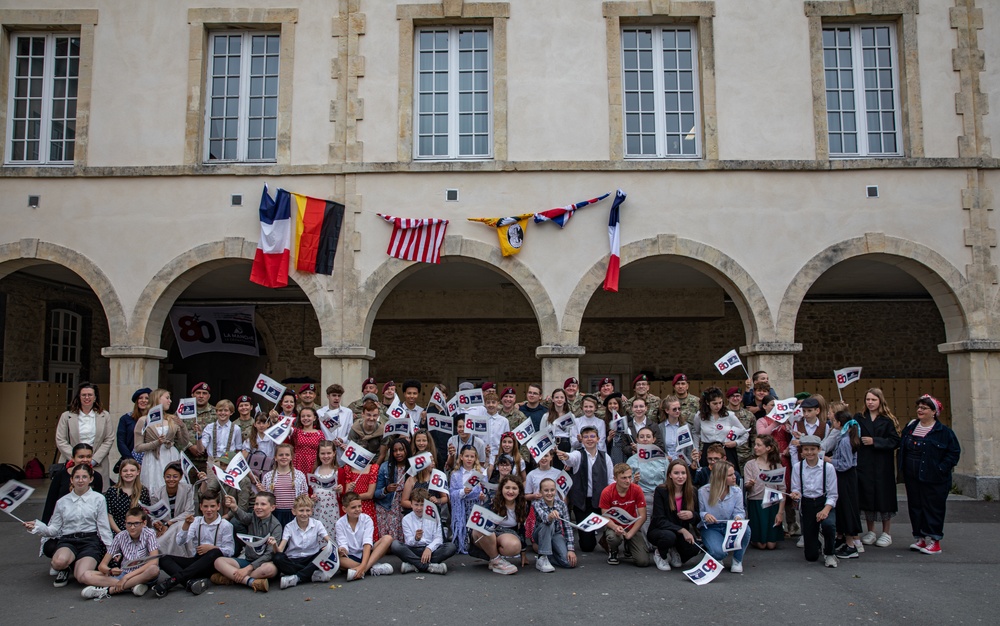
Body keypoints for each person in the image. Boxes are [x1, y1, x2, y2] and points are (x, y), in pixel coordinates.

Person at [25, 463, 114, 588]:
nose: (81, 480)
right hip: (68, 541)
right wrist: (37, 527)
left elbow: (104, 528)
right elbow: (54, 529)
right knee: (58, 562)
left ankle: (124, 583)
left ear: (91, 479)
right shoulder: (62, 502)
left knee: (82, 576)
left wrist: (112, 550)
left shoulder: (99, 499)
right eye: (77, 477)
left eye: (84, 477)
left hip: (89, 541)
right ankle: (65, 567)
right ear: (71, 479)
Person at [898, 395, 961, 556]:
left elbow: (953, 453)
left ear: (934, 412)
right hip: (912, 476)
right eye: (919, 407)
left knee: (933, 508)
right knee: (915, 506)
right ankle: (920, 537)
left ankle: (934, 540)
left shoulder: (944, 432)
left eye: (924, 408)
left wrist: (941, 469)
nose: (920, 410)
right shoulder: (911, 426)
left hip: (934, 478)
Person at [153, 492, 234, 597]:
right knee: (163, 558)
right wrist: (186, 526)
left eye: (212, 506)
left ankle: (173, 581)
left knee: (214, 552)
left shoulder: (226, 525)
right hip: (197, 561)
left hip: (214, 564)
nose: (209, 510)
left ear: (218, 506)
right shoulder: (196, 521)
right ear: (200, 507)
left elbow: (230, 551)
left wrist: (211, 548)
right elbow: (180, 542)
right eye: (205, 506)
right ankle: (190, 583)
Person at [79, 507, 161, 599]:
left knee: (154, 569)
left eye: (136, 523)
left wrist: (126, 578)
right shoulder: (120, 537)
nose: (132, 527)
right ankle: (132, 586)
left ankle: (108, 590)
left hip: (142, 573)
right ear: (125, 523)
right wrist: (110, 570)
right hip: (124, 573)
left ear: (144, 523)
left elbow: (154, 561)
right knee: (86, 576)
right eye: (129, 523)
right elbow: (102, 566)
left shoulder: (149, 533)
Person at [856, 388, 900, 548]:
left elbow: (895, 441)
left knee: (884, 497)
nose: (870, 402)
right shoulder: (860, 418)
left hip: (882, 464)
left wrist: (876, 441)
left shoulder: (888, 420)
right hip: (865, 463)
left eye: (873, 400)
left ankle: (886, 532)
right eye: (868, 399)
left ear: (880, 401)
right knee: (867, 495)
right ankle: (871, 530)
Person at [558, 425, 613, 553]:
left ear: (598, 439)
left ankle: (606, 537)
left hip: (601, 503)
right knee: (587, 546)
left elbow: (611, 480)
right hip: (582, 503)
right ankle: (589, 536)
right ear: (581, 439)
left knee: (612, 533)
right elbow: (571, 459)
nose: (589, 439)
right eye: (586, 437)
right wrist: (566, 456)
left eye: (592, 436)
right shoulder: (578, 454)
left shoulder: (606, 457)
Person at [212, 491, 281, 592]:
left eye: (263, 504)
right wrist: (234, 507)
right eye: (256, 504)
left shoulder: (276, 526)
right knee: (218, 561)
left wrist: (247, 569)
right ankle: (250, 581)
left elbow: (269, 554)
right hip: (248, 559)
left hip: (263, 564)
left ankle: (232, 577)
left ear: (272, 507)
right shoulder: (253, 516)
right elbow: (243, 517)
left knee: (269, 570)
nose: (258, 507)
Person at [789, 434, 839, 568]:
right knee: (811, 556)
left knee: (829, 525)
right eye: (806, 449)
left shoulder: (827, 468)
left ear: (819, 450)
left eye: (812, 449)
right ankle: (816, 540)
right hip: (807, 503)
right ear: (802, 451)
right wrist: (795, 495)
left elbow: (833, 494)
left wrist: (825, 510)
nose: (809, 452)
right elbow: (796, 489)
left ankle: (830, 553)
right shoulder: (797, 467)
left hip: (824, 502)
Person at [55, 382, 115, 484]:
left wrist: (93, 460)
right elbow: (61, 440)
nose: (87, 397)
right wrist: (77, 458)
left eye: (90, 395)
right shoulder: (67, 416)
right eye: (83, 395)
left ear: (95, 397)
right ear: (79, 397)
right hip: (72, 464)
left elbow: (109, 439)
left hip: (97, 464)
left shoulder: (105, 416)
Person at [468, 475, 529, 575]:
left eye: (514, 488)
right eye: (507, 488)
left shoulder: (523, 504)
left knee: (514, 546)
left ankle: (494, 558)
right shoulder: (493, 499)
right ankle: (496, 560)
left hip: (507, 532)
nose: (510, 491)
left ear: (519, 491)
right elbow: (480, 519)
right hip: (487, 532)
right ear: (501, 489)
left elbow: (522, 528)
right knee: (484, 528)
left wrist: (523, 552)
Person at [647, 459, 700, 571]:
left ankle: (674, 550)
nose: (680, 476)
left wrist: (692, 515)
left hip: (679, 533)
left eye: (683, 473)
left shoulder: (693, 491)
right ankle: (660, 554)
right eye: (676, 473)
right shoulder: (661, 491)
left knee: (694, 548)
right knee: (669, 537)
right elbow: (659, 519)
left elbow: (697, 518)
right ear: (670, 475)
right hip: (660, 530)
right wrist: (683, 530)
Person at [272, 494, 335, 589]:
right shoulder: (289, 526)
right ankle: (312, 575)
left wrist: (329, 547)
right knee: (277, 558)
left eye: (308, 510)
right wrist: (274, 545)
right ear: (294, 511)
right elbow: (280, 550)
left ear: (312, 511)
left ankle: (297, 577)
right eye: (301, 510)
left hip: (311, 558)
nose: (305, 514)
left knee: (325, 551)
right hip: (294, 560)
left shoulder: (317, 524)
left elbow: (328, 540)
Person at [698, 460, 749, 573]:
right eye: (730, 475)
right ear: (720, 477)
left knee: (746, 529)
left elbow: (740, 511)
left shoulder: (737, 491)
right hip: (711, 528)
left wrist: (739, 517)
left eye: (733, 473)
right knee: (718, 553)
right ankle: (717, 555)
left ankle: (737, 560)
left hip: (730, 526)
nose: (734, 477)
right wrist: (706, 515)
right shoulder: (703, 491)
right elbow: (700, 512)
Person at [391, 487, 456, 574]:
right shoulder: (406, 519)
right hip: (413, 550)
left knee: (451, 547)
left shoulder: (434, 516)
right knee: (395, 545)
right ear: (411, 505)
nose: (419, 508)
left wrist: (429, 548)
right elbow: (408, 541)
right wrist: (416, 539)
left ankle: (414, 565)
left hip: (431, 550)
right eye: (416, 504)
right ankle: (428, 566)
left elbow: (439, 538)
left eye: (422, 505)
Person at [134, 389, 188, 494]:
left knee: (175, 487)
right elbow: (138, 447)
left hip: (170, 456)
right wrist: (156, 443)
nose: (170, 401)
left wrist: (183, 427)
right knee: (154, 488)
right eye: (167, 398)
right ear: (157, 399)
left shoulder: (172, 419)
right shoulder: (144, 420)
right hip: (153, 458)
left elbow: (183, 442)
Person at [335, 492, 394, 581]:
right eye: (353, 507)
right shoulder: (339, 523)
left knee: (388, 538)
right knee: (337, 560)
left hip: (367, 552)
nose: (358, 509)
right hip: (351, 556)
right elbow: (343, 543)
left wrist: (363, 565)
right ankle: (372, 568)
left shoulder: (366, 519)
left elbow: (367, 543)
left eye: (359, 506)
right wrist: (342, 550)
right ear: (344, 509)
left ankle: (362, 570)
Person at [42, 443, 105, 526]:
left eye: (88, 456)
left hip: (87, 523)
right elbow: (51, 501)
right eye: (81, 457)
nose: (85, 460)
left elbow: (98, 504)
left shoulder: (96, 477)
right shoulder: (60, 475)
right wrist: (44, 526)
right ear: (73, 458)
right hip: (62, 521)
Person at [600, 463, 649, 567]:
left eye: (629, 477)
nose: (628, 481)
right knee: (613, 538)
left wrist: (630, 533)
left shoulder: (636, 489)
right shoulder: (607, 492)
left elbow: (643, 516)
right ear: (615, 478)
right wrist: (615, 527)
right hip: (614, 525)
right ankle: (613, 551)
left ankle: (628, 545)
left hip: (631, 524)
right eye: (623, 478)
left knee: (643, 562)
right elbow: (605, 516)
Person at [829, 410, 863, 559]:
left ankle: (851, 545)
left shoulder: (844, 440)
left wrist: (830, 461)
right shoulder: (846, 437)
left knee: (847, 509)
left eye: (834, 420)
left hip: (845, 478)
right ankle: (844, 541)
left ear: (839, 423)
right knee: (843, 509)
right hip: (845, 478)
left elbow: (845, 464)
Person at [743, 435, 785, 550]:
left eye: (759, 445)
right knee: (761, 545)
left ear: (768, 448)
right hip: (757, 502)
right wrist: (750, 484)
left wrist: (780, 512)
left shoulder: (777, 465)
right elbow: (746, 485)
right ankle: (754, 539)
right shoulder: (750, 465)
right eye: (755, 445)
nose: (755, 447)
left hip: (773, 503)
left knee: (771, 545)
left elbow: (782, 489)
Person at [625, 426, 667, 541]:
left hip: (660, 495)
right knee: (645, 520)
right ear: (637, 440)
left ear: (653, 439)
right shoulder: (632, 460)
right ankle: (649, 543)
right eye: (642, 437)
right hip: (642, 496)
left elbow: (668, 478)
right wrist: (634, 481)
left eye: (648, 437)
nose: (645, 439)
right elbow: (626, 484)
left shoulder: (662, 458)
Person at [691, 386, 747, 469]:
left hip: (726, 449)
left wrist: (736, 443)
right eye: (714, 403)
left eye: (720, 403)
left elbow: (745, 433)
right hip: (708, 450)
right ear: (707, 402)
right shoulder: (699, 416)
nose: (718, 406)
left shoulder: (729, 415)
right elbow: (696, 433)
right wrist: (696, 450)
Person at [151, 462, 197, 557]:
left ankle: (185, 558)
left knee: (181, 527)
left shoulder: (188, 489)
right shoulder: (156, 494)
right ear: (164, 477)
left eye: (175, 476)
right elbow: (154, 515)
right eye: (168, 477)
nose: (171, 479)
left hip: (181, 523)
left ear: (180, 477)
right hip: (163, 528)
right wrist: (157, 523)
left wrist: (169, 523)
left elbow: (189, 512)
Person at [531, 478, 576, 572]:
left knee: (568, 563)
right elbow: (545, 519)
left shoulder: (561, 504)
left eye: (552, 490)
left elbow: (567, 526)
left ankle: (548, 557)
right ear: (540, 492)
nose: (549, 493)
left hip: (556, 534)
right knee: (548, 524)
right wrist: (550, 516)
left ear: (556, 490)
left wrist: (570, 549)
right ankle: (543, 557)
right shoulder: (536, 504)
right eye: (546, 490)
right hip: (540, 533)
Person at [259, 443, 309, 526]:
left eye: (287, 455)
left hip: (293, 513)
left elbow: (304, 495)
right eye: (281, 455)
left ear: (291, 457)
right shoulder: (268, 476)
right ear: (275, 457)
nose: (284, 457)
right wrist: (262, 491)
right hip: (275, 513)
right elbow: (266, 496)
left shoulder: (299, 475)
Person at [450, 445, 486, 553]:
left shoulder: (481, 472)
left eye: (472, 456)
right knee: (464, 528)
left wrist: (482, 496)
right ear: (461, 457)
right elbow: (452, 493)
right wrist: (462, 492)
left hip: (477, 505)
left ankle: (477, 544)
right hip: (462, 506)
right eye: (467, 456)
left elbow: (485, 489)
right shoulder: (455, 475)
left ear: (475, 458)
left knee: (475, 528)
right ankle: (463, 542)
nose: (469, 459)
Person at [374, 438, 410, 543]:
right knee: (388, 544)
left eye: (401, 450)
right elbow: (376, 493)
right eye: (395, 450)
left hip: (404, 506)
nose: (398, 453)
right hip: (387, 506)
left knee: (403, 543)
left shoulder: (412, 467)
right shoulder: (385, 466)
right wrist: (386, 490)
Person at [104, 459, 150, 534]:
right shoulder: (112, 491)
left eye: (132, 470)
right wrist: (120, 533)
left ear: (138, 472)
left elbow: (145, 515)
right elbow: (109, 516)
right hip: (117, 532)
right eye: (125, 471)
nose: (128, 473)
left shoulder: (143, 491)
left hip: (138, 533)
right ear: (121, 473)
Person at [317, 383, 355, 466]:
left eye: (339, 396)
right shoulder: (320, 413)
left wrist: (343, 439)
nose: (336, 398)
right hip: (326, 450)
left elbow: (350, 431)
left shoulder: (347, 412)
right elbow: (319, 432)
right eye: (334, 395)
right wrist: (329, 442)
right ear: (328, 396)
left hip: (342, 450)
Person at [310, 440, 343, 531]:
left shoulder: (339, 472)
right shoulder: (313, 471)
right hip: (317, 511)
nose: (326, 456)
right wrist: (311, 497)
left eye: (329, 453)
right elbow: (308, 492)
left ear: (334, 453)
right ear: (318, 454)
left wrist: (341, 491)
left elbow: (344, 497)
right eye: (323, 453)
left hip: (334, 512)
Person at [202, 399, 244, 470]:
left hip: (229, 462)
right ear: (216, 412)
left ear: (231, 412)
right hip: (213, 461)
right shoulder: (209, 427)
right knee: (212, 481)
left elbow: (238, 449)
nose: (223, 413)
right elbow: (202, 447)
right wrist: (199, 436)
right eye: (220, 410)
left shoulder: (236, 429)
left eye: (226, 410)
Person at [185, 382, 216, 473]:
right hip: (187, 459)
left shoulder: (216, 413)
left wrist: (203, 448)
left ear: (209, 396)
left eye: (204, 393)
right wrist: (190, 446)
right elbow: (176, 433)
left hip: (208, 460)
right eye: (198, 393)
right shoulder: (183, 411)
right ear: (192, 395)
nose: (201, 396)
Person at [116, 387, 150, 467]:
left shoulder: (156, 419)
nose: (143, 400)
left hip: (150, 459)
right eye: (140, 398)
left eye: (147, 398)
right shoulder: (125, 419)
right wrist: (131, 461)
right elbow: (121, 442)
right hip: (130, 459)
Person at [726, 386, 755, 471]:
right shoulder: (722, 414)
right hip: (727, 454)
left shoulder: (749, 415)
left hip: (744, 455)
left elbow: (754, 435)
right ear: (727, 398)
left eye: (738, 396)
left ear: (741, 398)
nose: (735, 398)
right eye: (732, 396)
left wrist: (753, 453)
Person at [349, 400, 387, 465]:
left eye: (374, 415)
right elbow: (351, 451)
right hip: (357, 462)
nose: (371, 418)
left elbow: (382, 454)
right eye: (368, 415)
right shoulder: (355, 429)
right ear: (363, 414)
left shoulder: (382, 431)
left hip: (376, 462)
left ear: (378, 416)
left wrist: (374, 469)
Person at [288, 406, 324, 476]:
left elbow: (322, 450)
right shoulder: (296, 431)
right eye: (303, 416)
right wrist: (275, 420)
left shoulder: (320, 433)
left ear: (314, 418)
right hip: (298, 462)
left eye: (308, 416)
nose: (305, 418)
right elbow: (286, 430)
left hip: (314, 463)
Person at [243, 411, 276, 480]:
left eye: (264, 422)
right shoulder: (249, 441)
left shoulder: (273, 439)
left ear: (268, 424)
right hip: (254, 472)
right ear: (255, 424)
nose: (261, 425)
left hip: (270, 471)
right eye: (259, 423)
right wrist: (250, 474)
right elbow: (243, 459)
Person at [483, 390, 513, 465]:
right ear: (484, 404)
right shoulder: (480, 420)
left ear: (498, 404)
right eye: (488, 402)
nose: (491, 405)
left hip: (498, 456)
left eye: (493, 402)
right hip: (483, 456)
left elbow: (507, 439)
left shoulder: (504, 421)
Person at [603, 393, 634, 465]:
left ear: (619, 405)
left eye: (615, 403)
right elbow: (601, 442)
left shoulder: (628, 419)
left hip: (625, 452)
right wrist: (609, 438)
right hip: (611, 452)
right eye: (610, 404)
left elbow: (632, 438)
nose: (612, 406)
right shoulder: (604, 421)